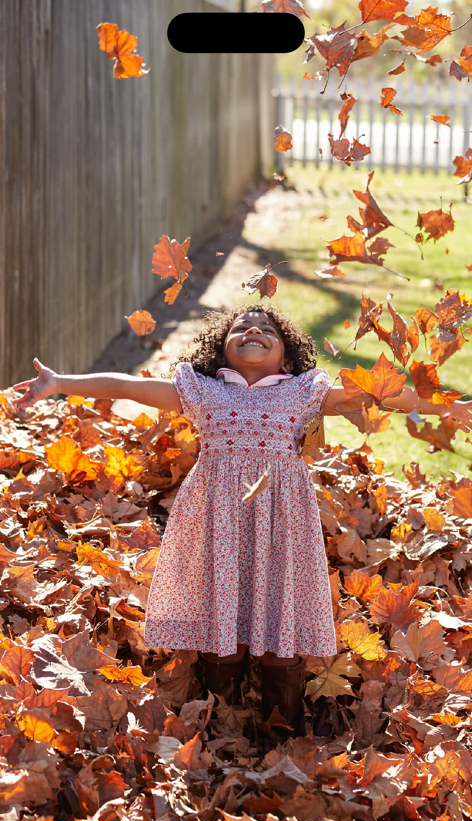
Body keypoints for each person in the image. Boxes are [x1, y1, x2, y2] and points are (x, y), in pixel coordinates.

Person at [11, 304, 472, 745]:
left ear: (287, 355)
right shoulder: (203, 390)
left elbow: (384, 396)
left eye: (267, 331)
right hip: (216, 517)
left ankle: (283, 728)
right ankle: (221, 722)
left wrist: (450, 408)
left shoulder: (304, 391)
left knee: (280, 609)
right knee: (220, 615)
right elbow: (130, 386)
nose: (254, 332)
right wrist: (60, 382)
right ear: (220, 349)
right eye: (241, 329)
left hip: (282, 518)